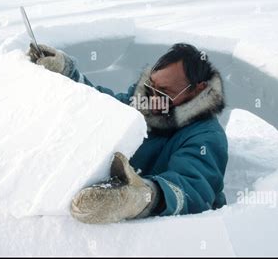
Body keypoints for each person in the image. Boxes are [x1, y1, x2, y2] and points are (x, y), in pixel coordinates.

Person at [27, 42, 228, 224]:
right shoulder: (140, 104)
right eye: (151, 88)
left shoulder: (206, 137)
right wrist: (67, 72)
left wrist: (141, 197)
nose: (154, 99)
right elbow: (101, 104)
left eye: (166, 93)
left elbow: (193, 190)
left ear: (197, 90)